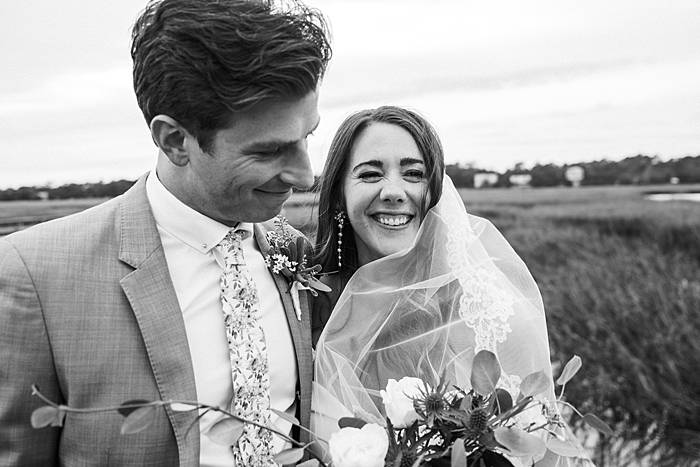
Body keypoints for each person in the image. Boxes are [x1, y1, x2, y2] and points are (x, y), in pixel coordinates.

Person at [0, 0, 331, 465]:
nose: (305, 175)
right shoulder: (32, 275)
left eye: (306, 137)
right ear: (175, 140)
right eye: (270, 150)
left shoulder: (295, 249)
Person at [310, 106, 589, 465]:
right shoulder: (306, 307)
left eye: (414, 174)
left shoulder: (482, 315)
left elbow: (542, 452)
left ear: (437, 192)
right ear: (338, 195)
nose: (394, 191)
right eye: (370, 174)